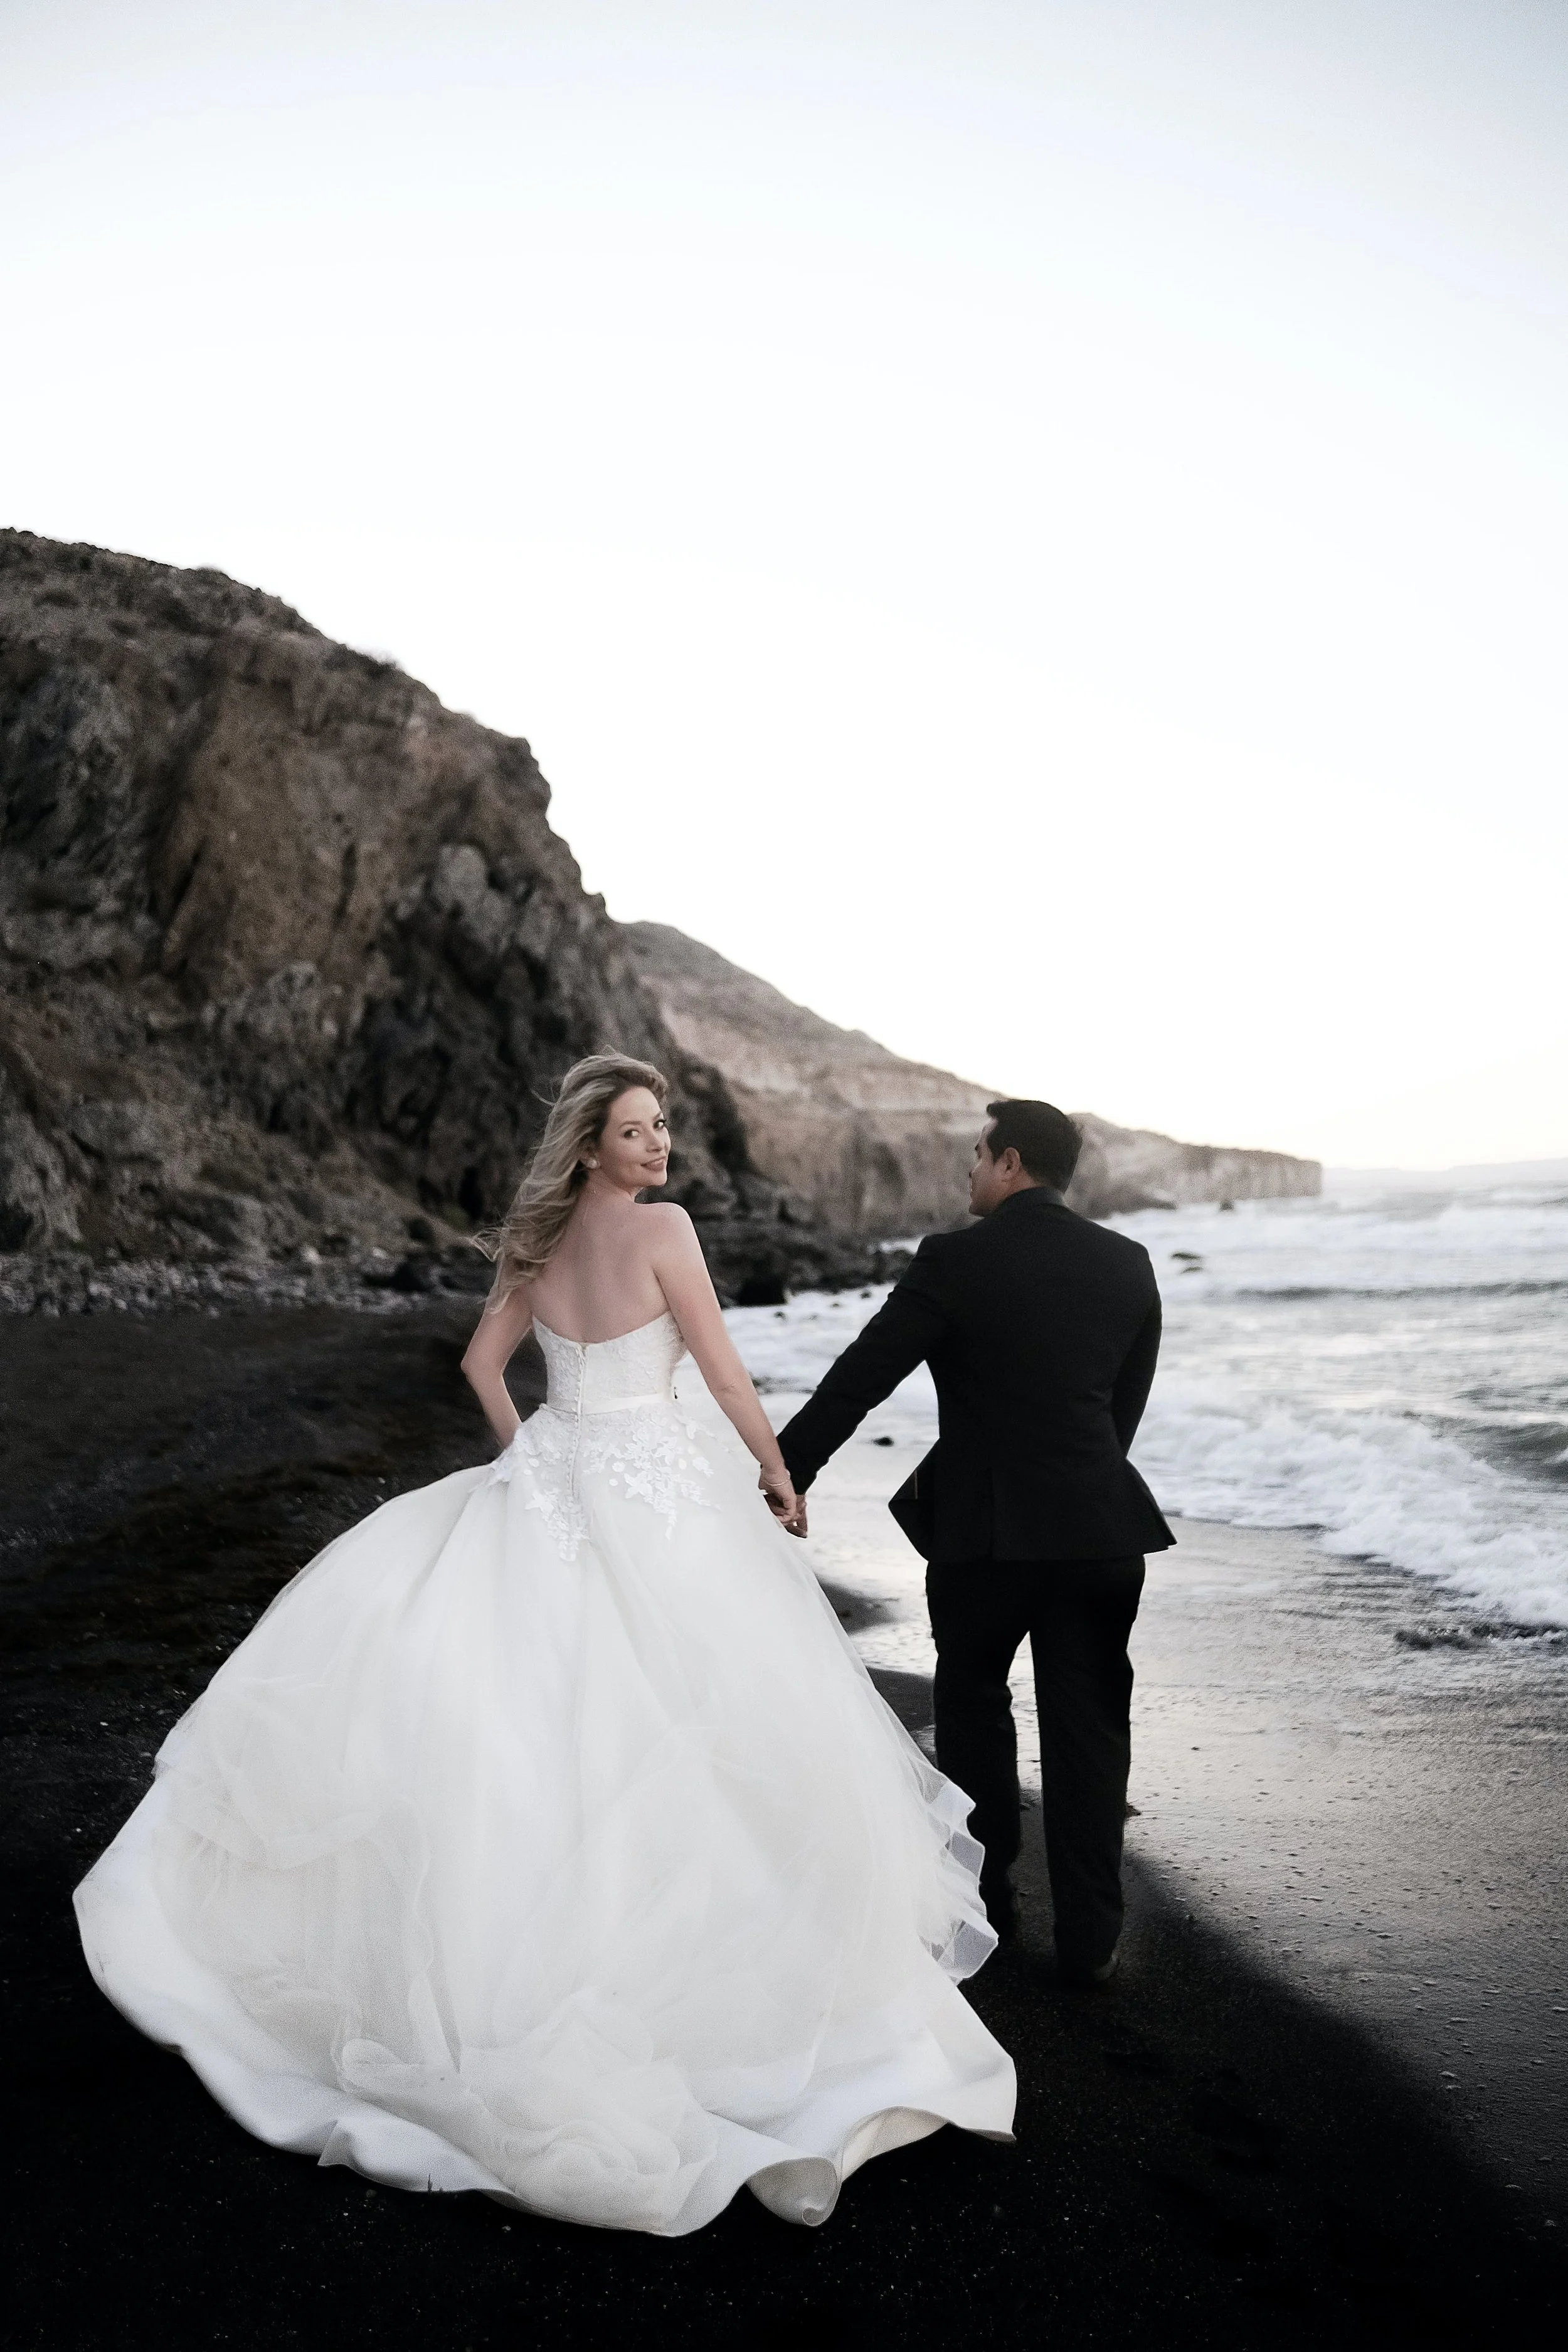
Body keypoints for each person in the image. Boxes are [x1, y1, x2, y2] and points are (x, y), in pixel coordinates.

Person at [75, 1053, 1015, 2237]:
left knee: (540, 1703)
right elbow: (722, 1372)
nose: (660, 1145)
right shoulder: (665, 1229)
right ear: (590, 1146)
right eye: (636, 1130)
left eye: (663, 1126)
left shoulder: (536, 1242)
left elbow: (482, 1364)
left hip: (558, 1474)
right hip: (663, 1489)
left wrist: (536, 1453)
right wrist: (777, 1474)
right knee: (695, 1710)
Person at [776, 1099, 1172, 1983]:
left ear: (1012, 1162)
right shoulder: (1128, 1262)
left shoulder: (954, 1260)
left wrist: (788, 1466)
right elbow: (1122, 1413)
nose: (968, 1170)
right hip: (1099, 1533)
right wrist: (1079, 1486)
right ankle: (1090, 1940)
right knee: (1091, 1732)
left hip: (985, 1539)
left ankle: (987, 1911)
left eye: (976, 1155)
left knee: (973, 1714)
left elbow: (861, 1377)